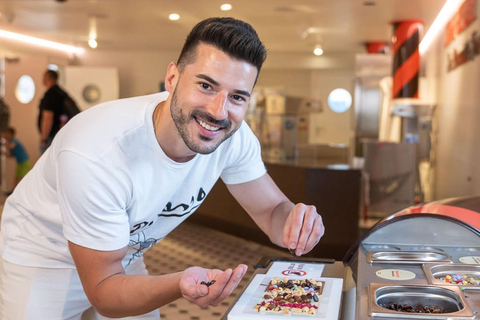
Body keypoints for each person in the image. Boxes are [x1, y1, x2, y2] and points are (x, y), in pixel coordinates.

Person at [0, 17, 324, 319]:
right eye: (206, 86)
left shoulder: (232, 137)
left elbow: (271, 211)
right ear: (172, 78)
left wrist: (296, 224)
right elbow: (103, 290)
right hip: (44, 256)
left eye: (237, 96)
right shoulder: (97, 153)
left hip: (120, 256)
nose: (218, 111)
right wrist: (179, 283)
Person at [37, 69, 69, 153]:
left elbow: (48, 117)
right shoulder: (62, 93)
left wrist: (44, 138)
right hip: (59, 134)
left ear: (48, 77)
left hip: (51, 136)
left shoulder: (50, 94)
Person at [0, 127, 30, 192]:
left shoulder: (14, 140)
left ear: (10, 134)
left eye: (6, 133)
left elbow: (11, 146)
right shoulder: (10, 142)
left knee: (21, 178)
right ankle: (13, 191)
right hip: (20, 162)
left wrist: (2, 141)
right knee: (17, 177)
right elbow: (11, 155)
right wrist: (2, 153)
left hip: (24, 162)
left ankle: (21, 192)